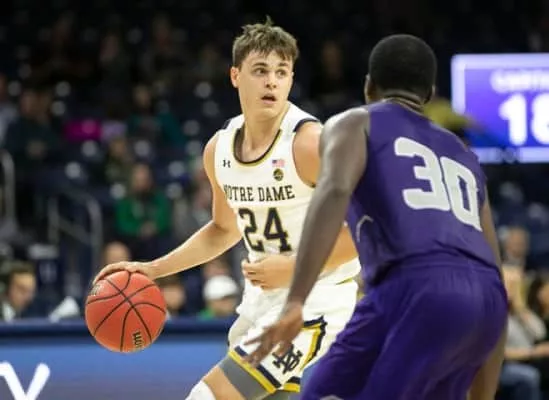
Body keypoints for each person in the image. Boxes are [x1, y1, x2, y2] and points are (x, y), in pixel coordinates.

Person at [94, 19, 360, 400]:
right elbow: (223, 229)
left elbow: (367, 230)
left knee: (208, 396)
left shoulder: (309, 143)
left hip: (315, 301)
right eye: (261, 70)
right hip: (260, 304)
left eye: (282, 72)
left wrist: (292, 268)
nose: (272, 82)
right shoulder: (218, 149)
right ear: (235, 76)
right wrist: (153, 269)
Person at [246, 34, 508, 400]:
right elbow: (494, 275)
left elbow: (334, 191)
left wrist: (296, 299)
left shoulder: (356, 122)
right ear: (429, 94)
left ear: (369, 87)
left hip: (413, 285)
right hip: (484, 302)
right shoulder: (465, 155)